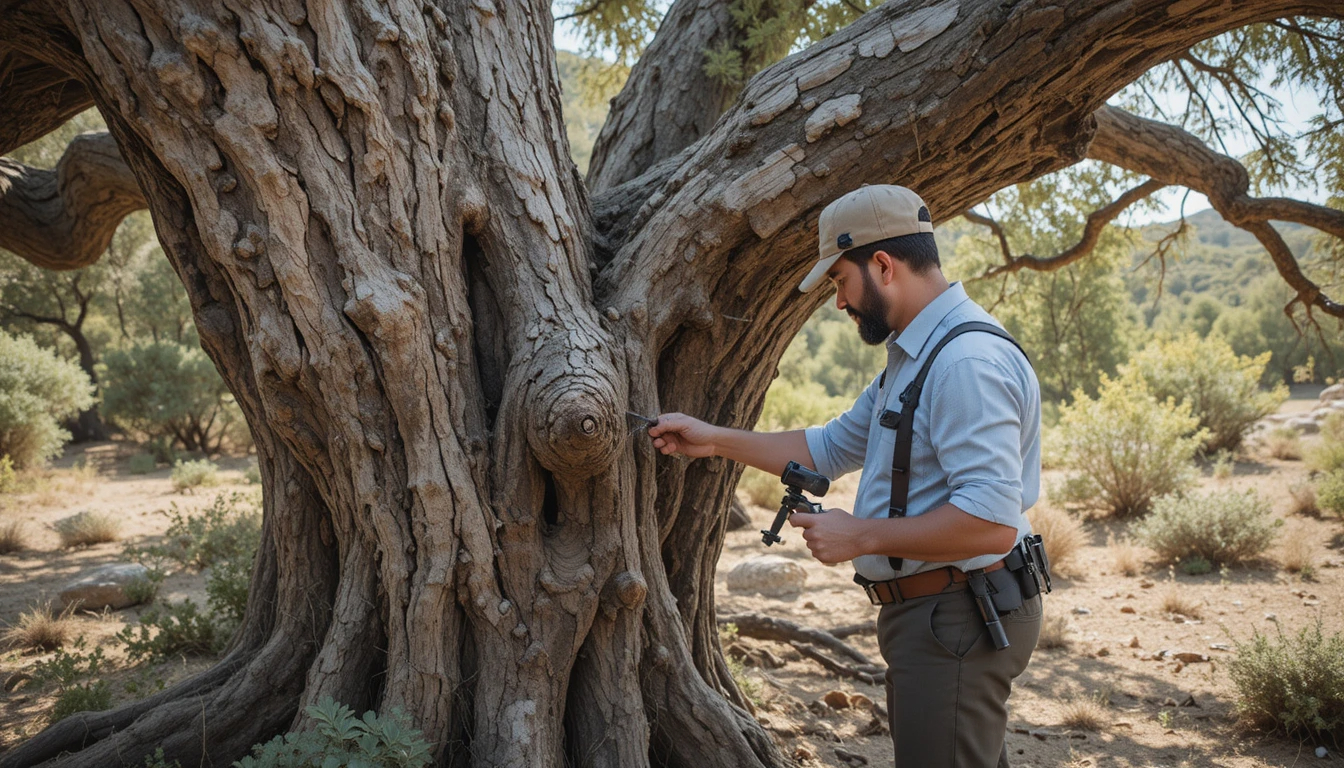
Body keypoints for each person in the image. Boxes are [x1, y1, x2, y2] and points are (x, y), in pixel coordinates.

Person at [649, 184, 1044, 767]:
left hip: (956, 616)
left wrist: (861, 535)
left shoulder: (965, 364)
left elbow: (990, 525)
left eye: (839, 280)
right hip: (944, 614)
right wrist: (713, 439)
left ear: (882, 265)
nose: (838, 302)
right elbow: (830, 447)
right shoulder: (919, 355)